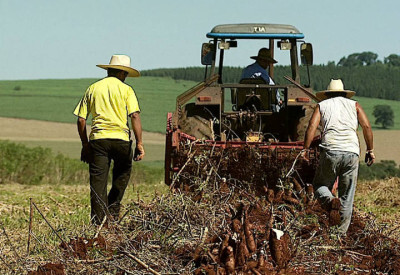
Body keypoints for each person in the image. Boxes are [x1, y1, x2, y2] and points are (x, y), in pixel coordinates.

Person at [73, 54, 145, 225]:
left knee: (98, 182)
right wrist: (140, 143)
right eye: (126, 74)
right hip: (121, 140)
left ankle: (99, 223)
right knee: (123, 173)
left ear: (109, 71)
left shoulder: (93, 88)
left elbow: (81, 120)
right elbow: (134, 115)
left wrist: (85, 144)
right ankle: (112, 212)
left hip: (98, 140)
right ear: (122, 73)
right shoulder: (127, 90)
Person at [303, 79, 375, 234]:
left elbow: (312, 126)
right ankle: (340, 235)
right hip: (351, 152)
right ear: (344, 93)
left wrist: (305, 149)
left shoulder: (322, 105)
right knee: (347, 195)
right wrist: (370, 150)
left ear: (327, 94)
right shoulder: (354, 105)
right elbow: (367, 126)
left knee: (320, 186)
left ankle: (329, 200)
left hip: (330, 150)